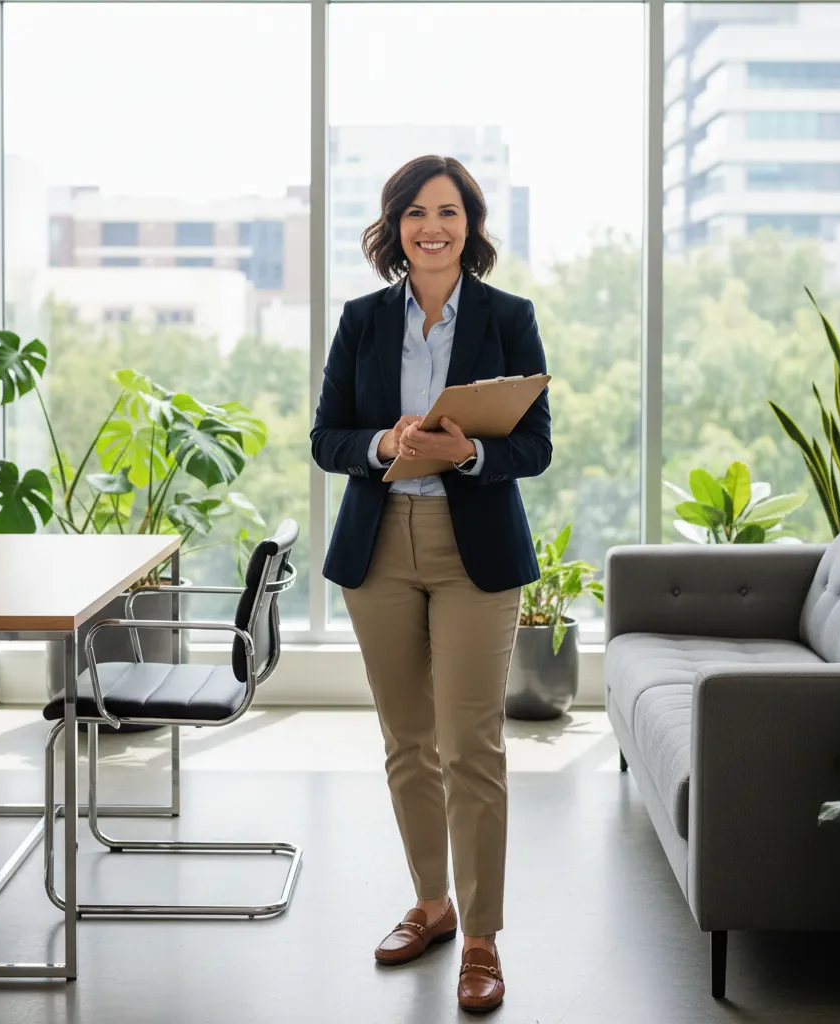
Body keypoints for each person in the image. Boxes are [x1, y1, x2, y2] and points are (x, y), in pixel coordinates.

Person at [311, 154, 551, 1014]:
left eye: (447, 211)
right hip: (378, 546)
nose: (431, 226)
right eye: (415, 212)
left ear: (471, 226)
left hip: (472, 546)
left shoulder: (509, 318)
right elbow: (326, 437)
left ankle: (482, 938)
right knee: (407, 741)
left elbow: (536, 447)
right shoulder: (364, 320)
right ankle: (432, 905)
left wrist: (470, 452)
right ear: (394, 227)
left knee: (471, 745)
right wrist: (384, 444)